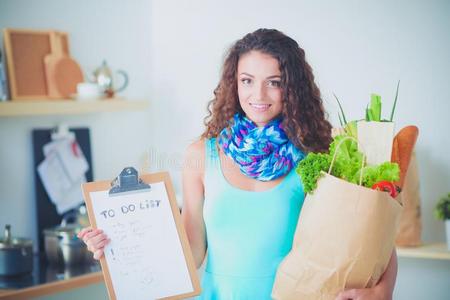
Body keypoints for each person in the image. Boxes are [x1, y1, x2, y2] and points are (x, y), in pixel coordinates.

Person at [78, 28, 397, 300]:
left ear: (292, 88)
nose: (258, 93)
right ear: (234, 83)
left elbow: (372, 231)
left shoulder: (320, 157)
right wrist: (120, 247)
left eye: (274, 81)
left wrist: (382, 291)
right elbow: (192, 249)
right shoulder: (201, 155)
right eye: (247, 80)